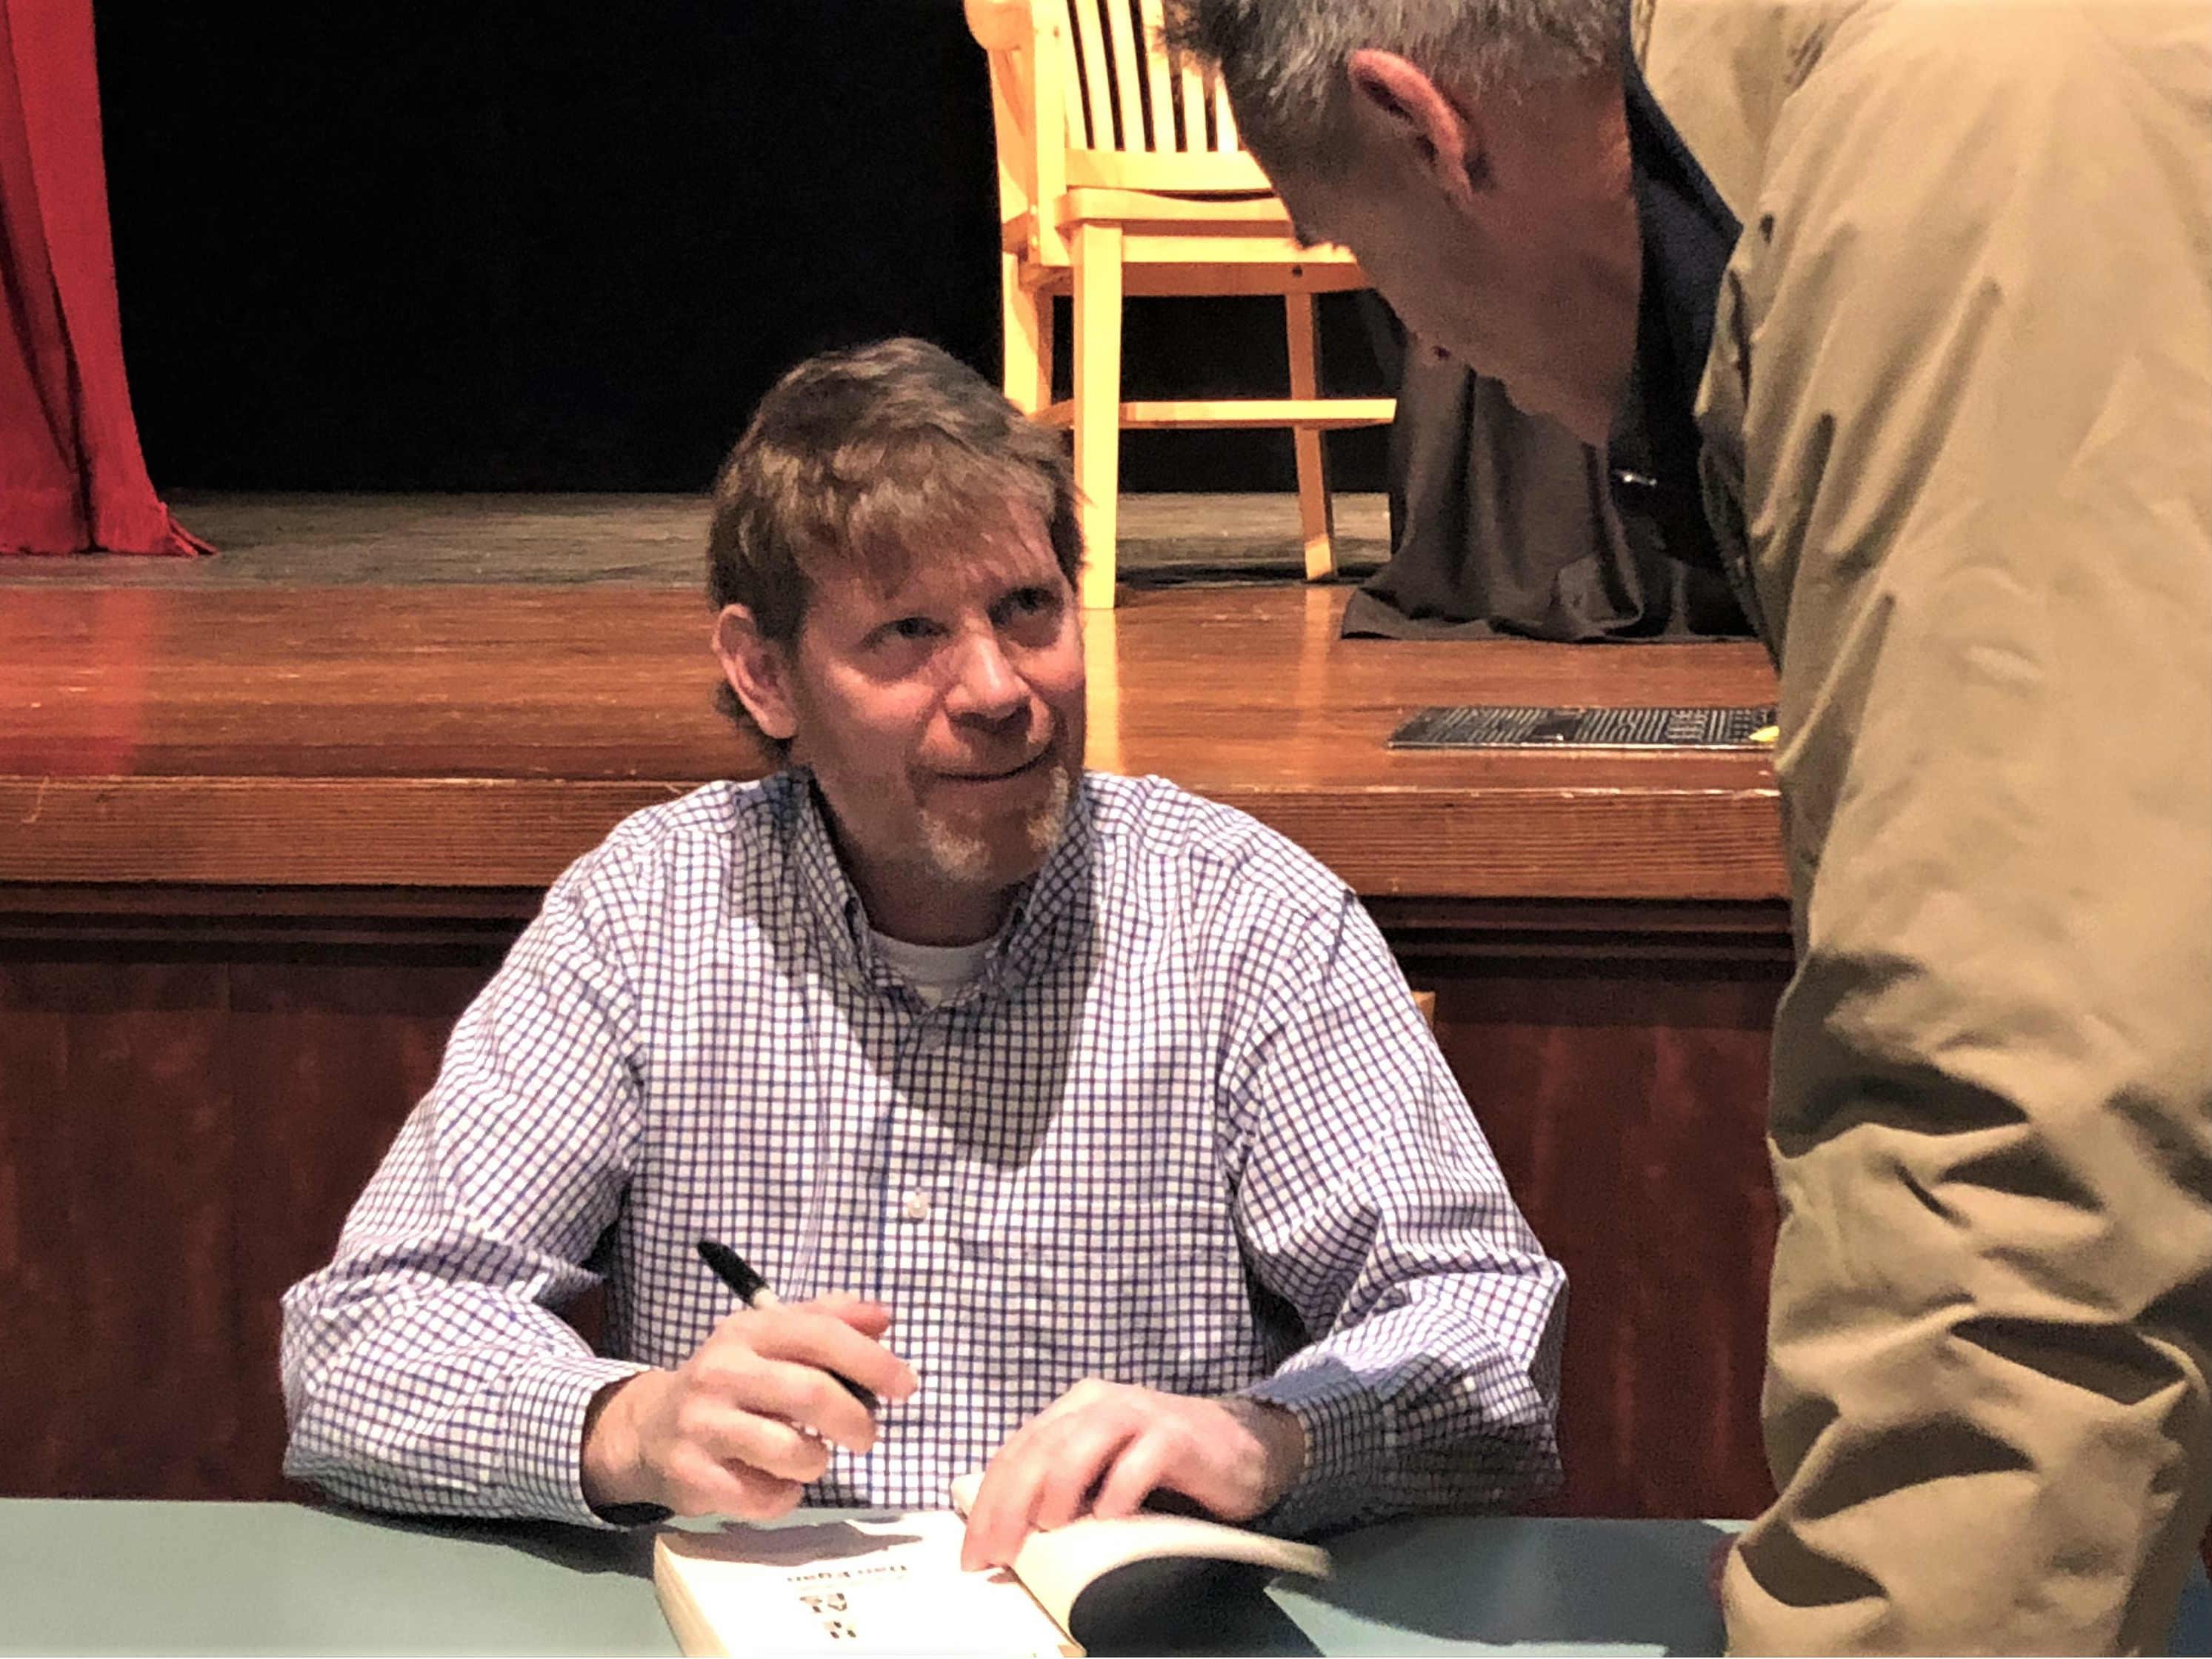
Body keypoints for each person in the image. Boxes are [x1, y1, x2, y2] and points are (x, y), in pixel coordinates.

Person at [1165, 0, 2212, 1649]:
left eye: (1369, 269)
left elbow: (2021, 1109)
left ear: (1428, 132)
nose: (1430, 350)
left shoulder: (1948, 160)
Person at [280, 337, 1566, 1567]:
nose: (1000, 688)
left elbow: (1487, 1335)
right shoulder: (650, 913)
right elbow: (363, 1340)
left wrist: (1269, 1441)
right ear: (765, 675)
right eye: (907, 635)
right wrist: (627, 1427)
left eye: (1026, 610)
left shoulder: (1243, 917)